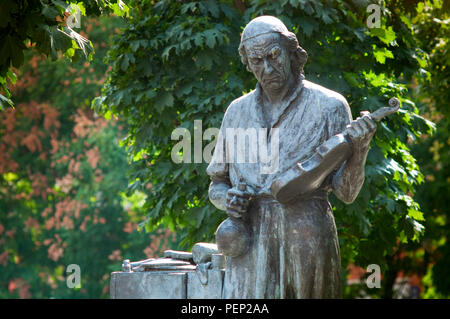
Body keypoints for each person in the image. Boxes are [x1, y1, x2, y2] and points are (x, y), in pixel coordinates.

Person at [206, 16, 376, 298]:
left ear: (291, 51)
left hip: (306, 238)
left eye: (273, 56)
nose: (267, 68)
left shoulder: (330, 106)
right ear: (247, 63)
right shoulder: (236, 112)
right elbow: (217, 185)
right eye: (257, 61)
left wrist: (360, 150)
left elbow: (346, 193)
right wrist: (229, 200)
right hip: (248, 243)